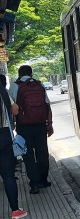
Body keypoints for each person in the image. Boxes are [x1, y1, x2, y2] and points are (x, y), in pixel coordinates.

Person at [10, 65, 54, 195]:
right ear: (31, 73)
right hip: (40, 125)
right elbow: (47, 105)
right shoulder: (39, 85)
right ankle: (44, 180)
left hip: (23, 127)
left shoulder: (15, 86)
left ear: (19, 74)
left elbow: (13, 108)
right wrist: (49, 124)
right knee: (42, 153)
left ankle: (34, 184)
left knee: (28, 155)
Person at [0, 73, 28, 219]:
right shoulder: (2, 91)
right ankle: (15, 210)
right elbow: (15, 109)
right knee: (8, 175)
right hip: (3, 136)